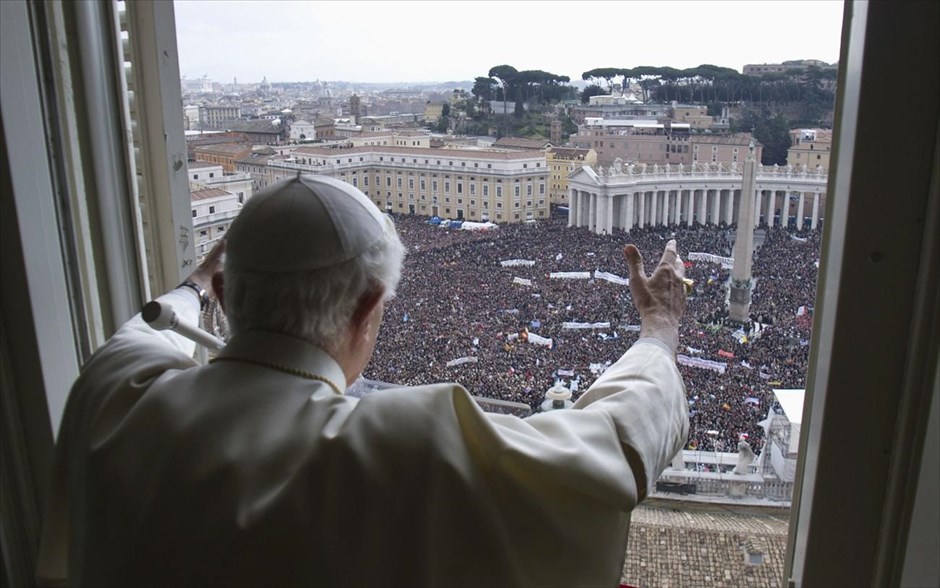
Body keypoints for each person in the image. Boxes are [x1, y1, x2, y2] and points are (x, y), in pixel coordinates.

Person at [37, 174, 689, 587]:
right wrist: (658, 332)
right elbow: (614, 451)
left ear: (228, 296)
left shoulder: (112, 393)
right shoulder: (410, 445)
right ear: (367, 308)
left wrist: (192, 288)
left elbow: (142, 330)